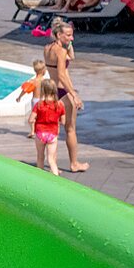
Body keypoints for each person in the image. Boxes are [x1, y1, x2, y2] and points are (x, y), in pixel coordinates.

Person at [43, 19, 88, 173]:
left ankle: (52, 163)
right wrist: (74, 94)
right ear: (58, 34)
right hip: (62, 92)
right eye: (68, 35)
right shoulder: (60, 52)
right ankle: (74, 163)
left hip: (50, 92)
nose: (71, 38)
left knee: (52, 128)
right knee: (70, 129)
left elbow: (71, 58)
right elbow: (62, 75)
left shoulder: (47, 48)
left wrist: (68, 43)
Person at [30, 78, 67, 176]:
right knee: (51, 160)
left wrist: (34, 123)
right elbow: (63, 121)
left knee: (40, 157)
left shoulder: (39, 104)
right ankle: (57, 180)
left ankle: (40, 178)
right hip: (52, 134)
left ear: (43, 90)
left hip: (40, 133)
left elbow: (30, 119)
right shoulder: (60, 105)